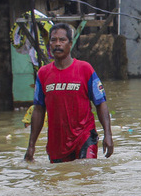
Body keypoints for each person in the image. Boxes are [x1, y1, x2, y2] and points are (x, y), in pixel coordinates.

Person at [24, 23, 114, 163]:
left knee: (86, 173)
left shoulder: (85, 69)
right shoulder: (43, 74)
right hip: (57, 143)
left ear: (70, 44)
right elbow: (38, 110)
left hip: (84, 136)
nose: (57, 44)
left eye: (62, 40)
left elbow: (101, 103)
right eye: (53, 40)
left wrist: (108, 135)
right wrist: (31, 146)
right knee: (60, 180)